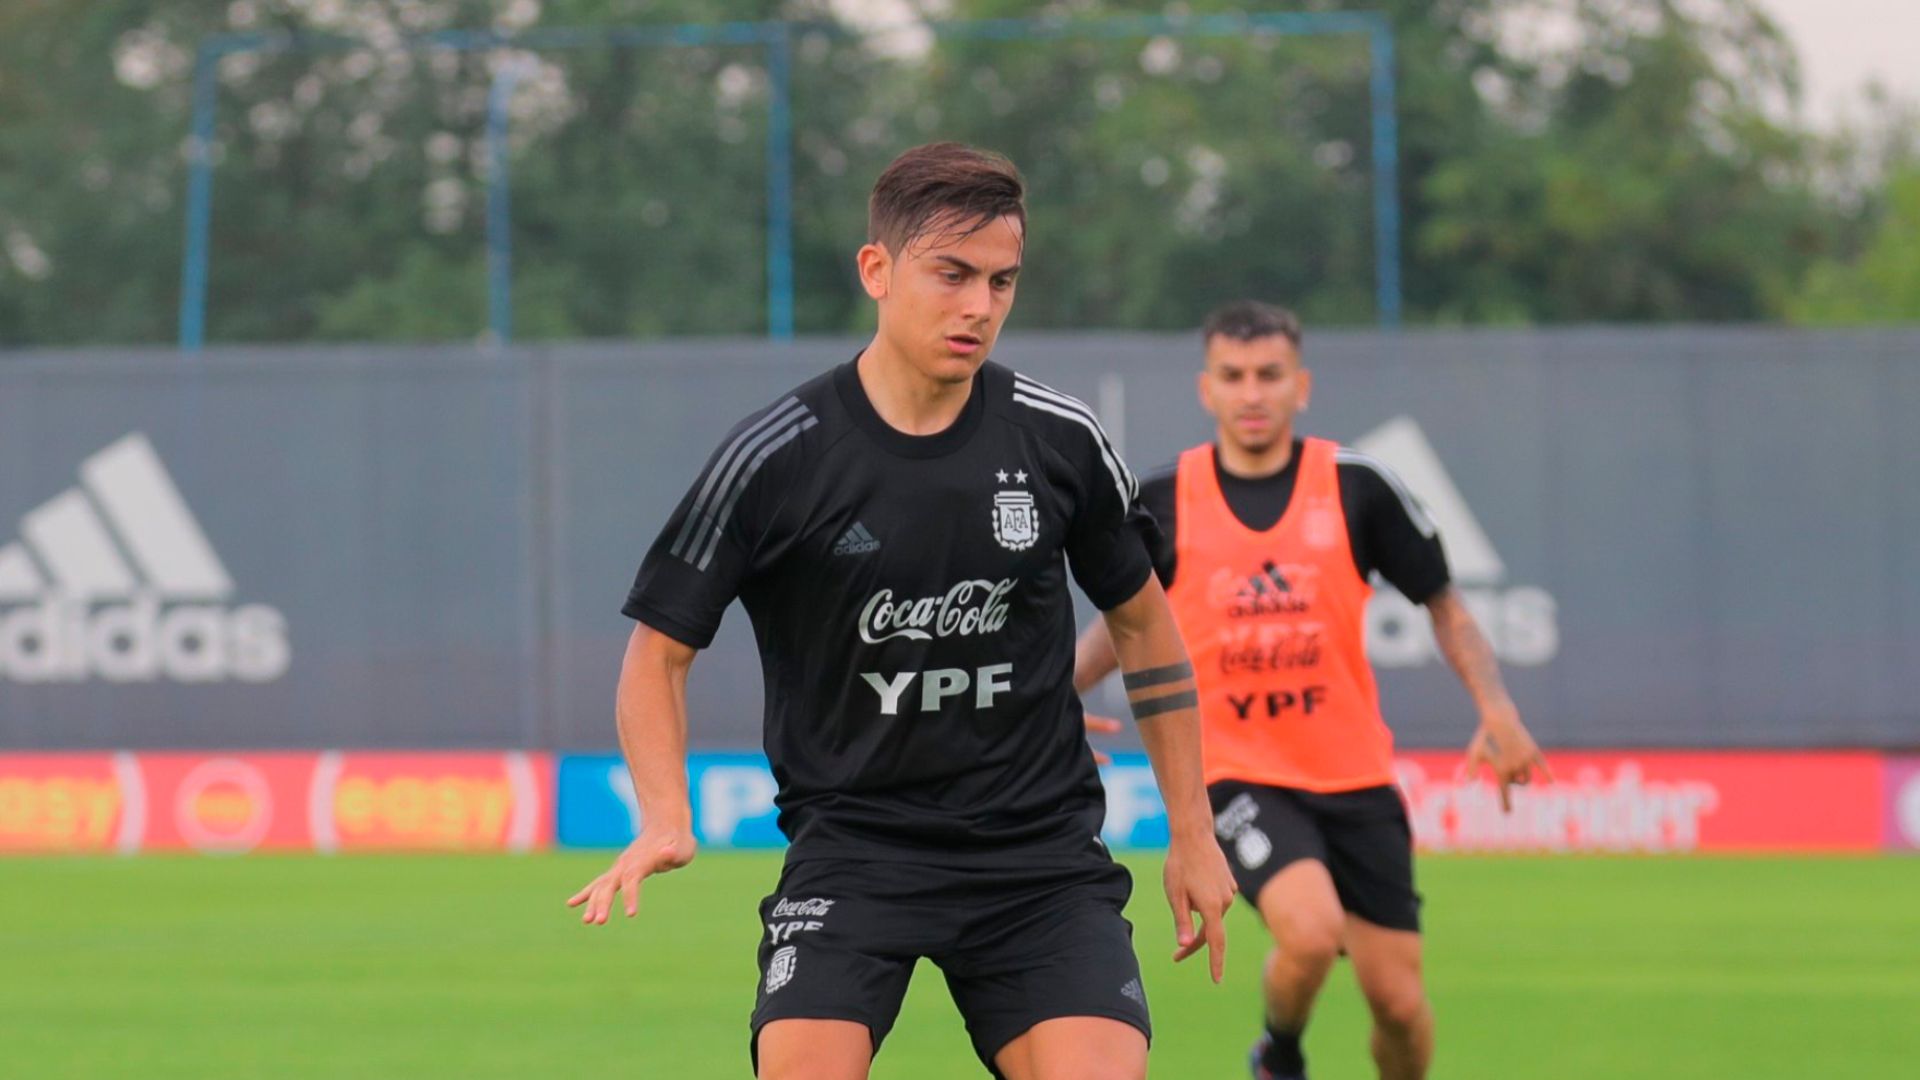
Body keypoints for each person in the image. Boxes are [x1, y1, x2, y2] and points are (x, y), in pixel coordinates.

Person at [567, 142, 1237, 1080]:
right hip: (855, 856)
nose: (979, 307)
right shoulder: (776, 456)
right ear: (877, 271)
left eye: (1002, 282)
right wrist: (665, 816)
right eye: (951, 274)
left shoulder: (1058, 438)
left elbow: (1146, 630)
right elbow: (657, 653)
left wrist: (1193, 833)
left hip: (1037, 861)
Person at [1073, 301, 1551, 1080]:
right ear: (1207, 388)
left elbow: (1445, 605)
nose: (1252, 393)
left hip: (1356, 777)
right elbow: (1125, 623)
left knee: (1398, 1004)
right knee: (1310, 931)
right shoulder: (1164, 499)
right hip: (1234, 773)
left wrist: (1498, 709)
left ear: (1302, 384)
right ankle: (1282, 1054)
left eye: (1269, 375)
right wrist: (1056, 692)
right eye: (1234, 376)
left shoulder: (1357, 486)